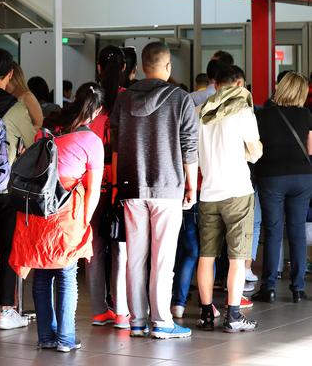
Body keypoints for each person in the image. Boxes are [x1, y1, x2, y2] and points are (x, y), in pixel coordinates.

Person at [110, 41, 198, 340]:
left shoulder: (123, 100)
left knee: (135, 257)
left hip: (131, 186)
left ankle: (137, 321)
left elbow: (115, 146)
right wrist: (191, 184)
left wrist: (119, 181)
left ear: (143, 67)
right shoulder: (180, 98)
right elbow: (189, 146)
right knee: (162, 259)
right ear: (168, 66)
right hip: (167, 188)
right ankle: (161, 321)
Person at [9, 83, 105, 352]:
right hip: (67, 210)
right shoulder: (91, 141)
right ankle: (65, 337)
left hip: (39, 207)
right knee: (66, 273)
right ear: (97, 111)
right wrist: (84, 223)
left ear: (75, 100)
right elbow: (94, 190)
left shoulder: (51, 127)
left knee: (42, 273)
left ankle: (45, 336)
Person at [196, 64, 262, 333]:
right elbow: (255, 151)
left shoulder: (201, 112)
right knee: (237, 257)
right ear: (238, 84)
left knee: (207, 256)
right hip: (237, 191)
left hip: (208, 192)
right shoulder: (244, 111)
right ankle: (233, 316)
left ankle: (206, 313)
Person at [0, 48, 36, 330]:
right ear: (10, 73)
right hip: (7, 187)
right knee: (8, 246)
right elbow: (33, 142)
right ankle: (5, 310)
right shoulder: (16, 106)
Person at [252, 72, 312, 304]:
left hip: (272, 176)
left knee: (274, 231)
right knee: (296, 230)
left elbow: (257, 148)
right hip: (302, 177)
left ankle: (269, 287)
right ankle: (297, 288)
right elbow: (310, 149)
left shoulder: (264, 116)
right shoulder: (306, 114)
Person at [86, 45, 129, 330]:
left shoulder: (90, 98)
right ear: (124, 68)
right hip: (122, 183)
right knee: (121, 248)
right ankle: (123, 310)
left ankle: (100, 310)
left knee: (94, 247)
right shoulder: (129, 99)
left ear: (99, 67)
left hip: (91, 183)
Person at [7, 62, 44, 130]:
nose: (4, 84)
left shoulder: (27, 97)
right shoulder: (5, 96)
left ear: (14, 79)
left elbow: (39, 124)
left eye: (6, 80)